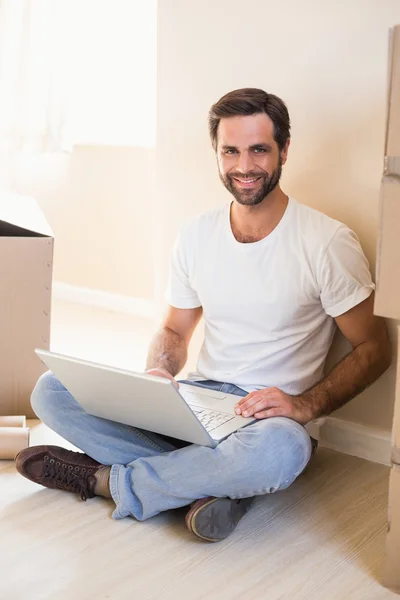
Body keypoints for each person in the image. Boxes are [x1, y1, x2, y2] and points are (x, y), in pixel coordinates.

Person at [16, 88, 391, 543]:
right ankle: (210, 487)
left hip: (264, 423)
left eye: (259, 150)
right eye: (230, 151)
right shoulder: (196, 234)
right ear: (216, 153)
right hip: (196, 401)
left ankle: (107, 481)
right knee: (51, 391)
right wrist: (159, 371)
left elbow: (375, 348)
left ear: (284, 150)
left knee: (282, 451)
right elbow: (175, 329)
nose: (244, 166)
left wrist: (304, 406)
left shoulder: (327, 242)